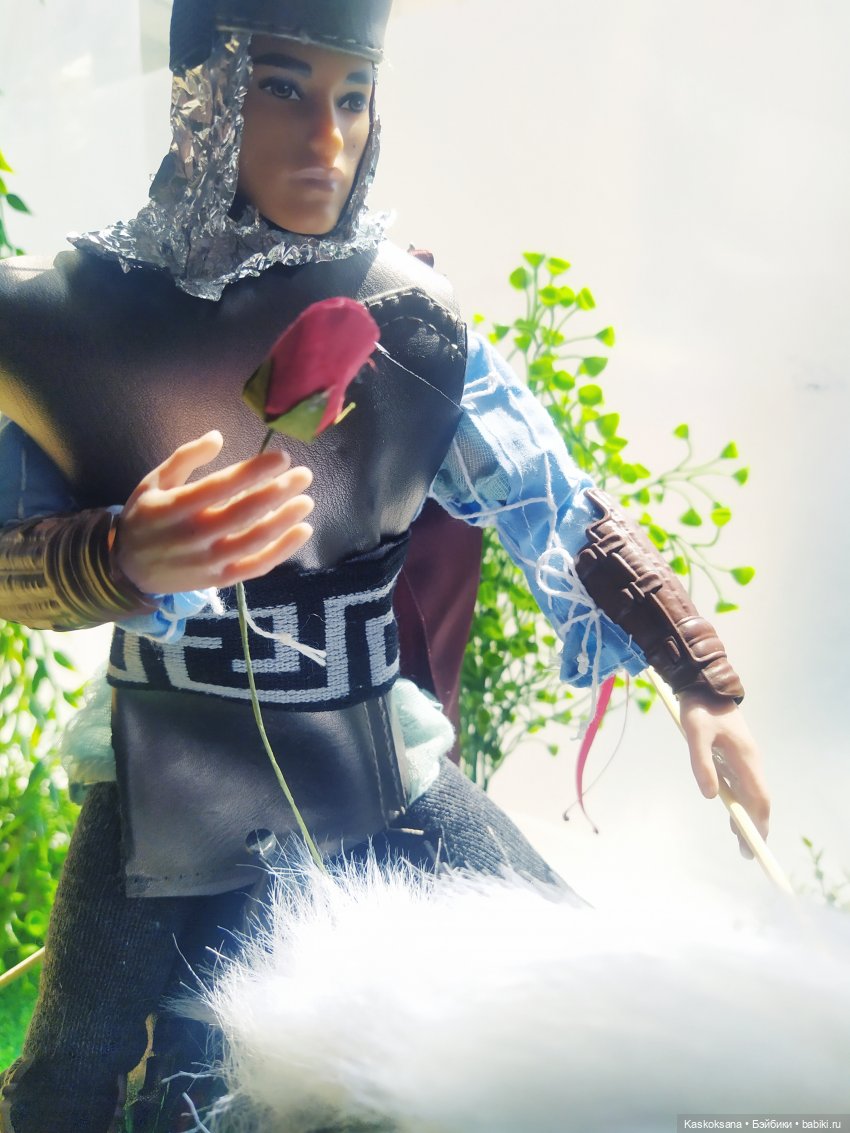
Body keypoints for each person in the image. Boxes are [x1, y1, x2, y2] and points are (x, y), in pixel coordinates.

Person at [0, 2, 769, 1130]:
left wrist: (697, 673)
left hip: (366, 754)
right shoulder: (64, 319)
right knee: (79, 1062)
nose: (328, 139)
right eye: (282, 88)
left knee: (585, 986)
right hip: (164, 768)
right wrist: (113, 554)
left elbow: (551, 503)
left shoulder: (410, 320)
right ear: (206, 95)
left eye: (352, 97)